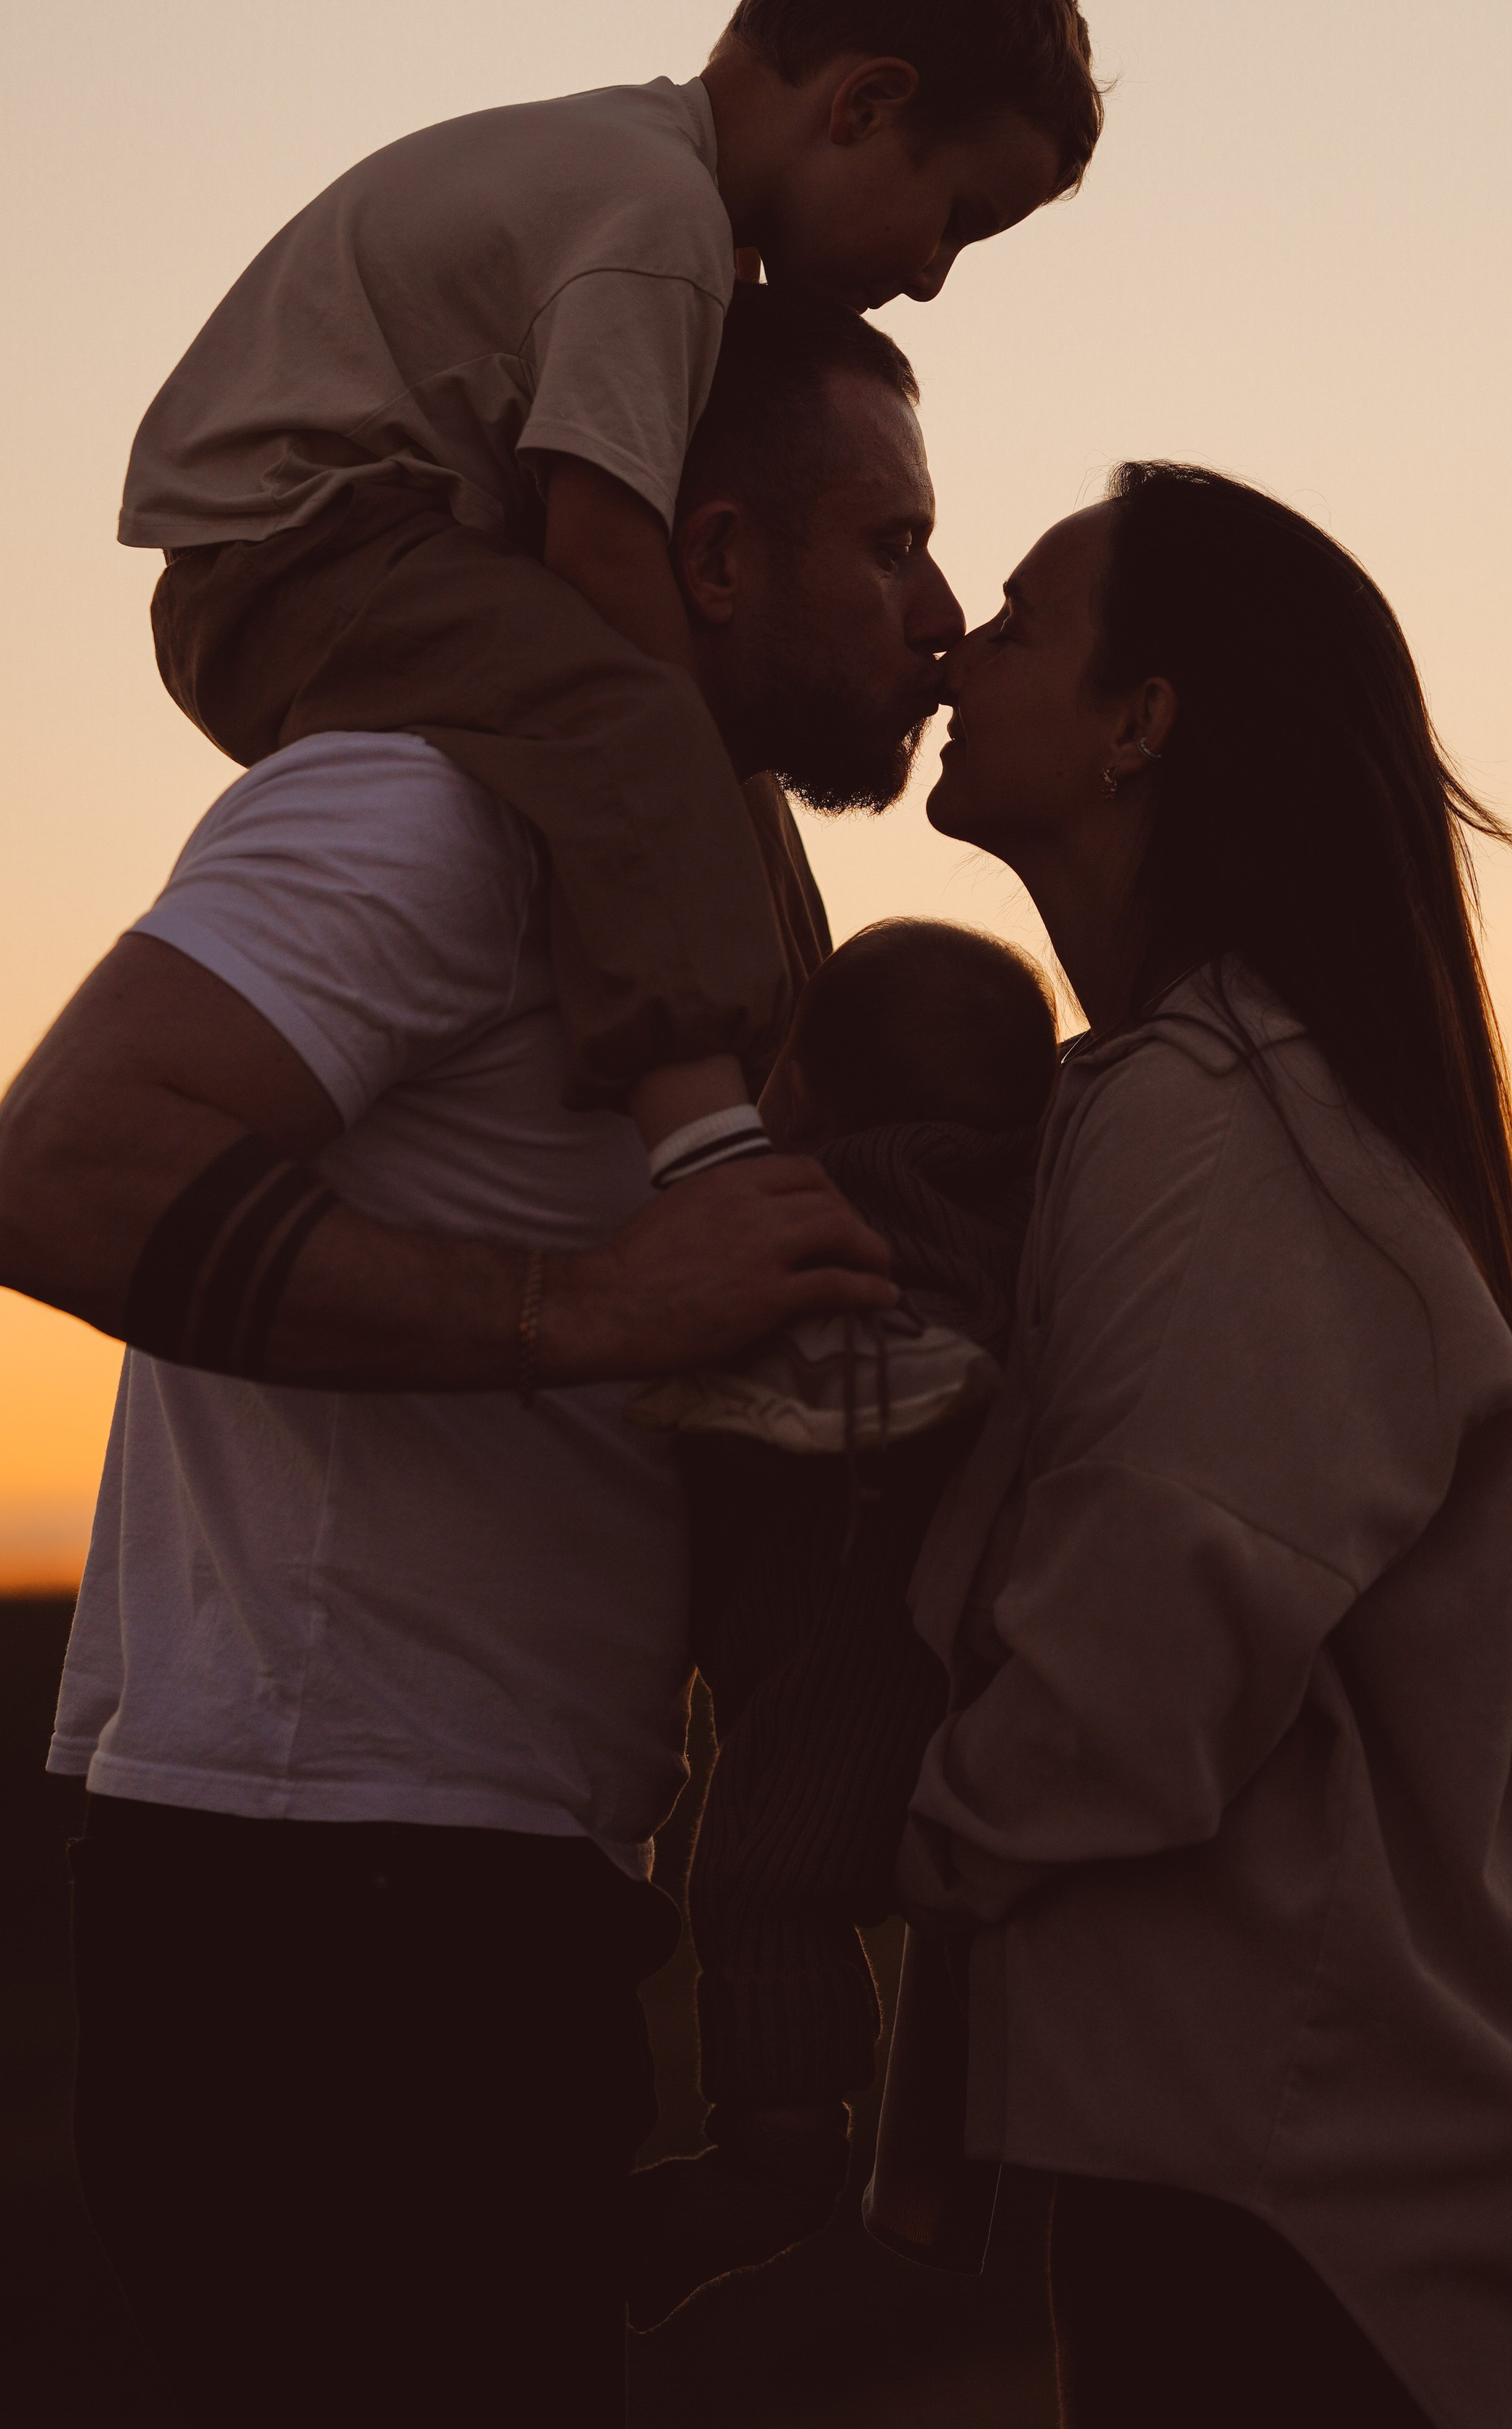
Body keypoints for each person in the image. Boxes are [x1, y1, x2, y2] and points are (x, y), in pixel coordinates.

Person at [0, 288, 959, 2429]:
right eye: (890, 546)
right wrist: (591, 1313)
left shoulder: (705, 870)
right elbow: (52, 1177)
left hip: (490, 1887)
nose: (943, 615)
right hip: (323, 1911)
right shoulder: (421, 802)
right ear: (708, 558)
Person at [870, 464, 1512, 2428]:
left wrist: (893, 1841)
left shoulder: (1219, 1118)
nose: (962, 642)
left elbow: (1144, 1659)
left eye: (1029, 622)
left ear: (1147, 723)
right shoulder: (1213, 1098)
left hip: (1306, 2215)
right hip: (1304, 2175)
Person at [127, 0, 1100, 1397]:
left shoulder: (662, 207)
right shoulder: (654, 225)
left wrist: (712, 815)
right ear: (863, 103)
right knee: (640, 733)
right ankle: (715, 1178)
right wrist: (675, 782)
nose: (927, 273)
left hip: (365, 544)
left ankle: (799, 1149)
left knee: (704, 781)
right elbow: (597, 536)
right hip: (291, 556)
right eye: (954, 217)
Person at [624, 920, 1059, 2329]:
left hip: (831, 1654)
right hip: (963, 1679)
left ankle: (775, 2163)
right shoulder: (1029, 1220)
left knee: (761, 1879)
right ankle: (913, 2168)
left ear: (799, 1089)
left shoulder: (809, 1215)